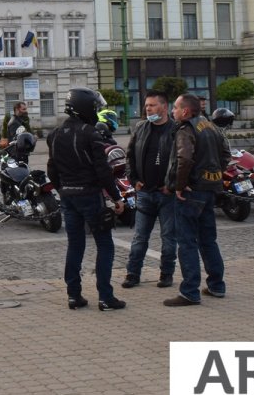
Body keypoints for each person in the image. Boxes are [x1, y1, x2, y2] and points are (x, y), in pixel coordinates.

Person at [46, 88, 126, 312]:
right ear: (84, 108)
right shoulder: (91, 134)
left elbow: (52, 169)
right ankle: (105, 297)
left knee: (75, 245)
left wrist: (62, 189)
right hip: (90, 196)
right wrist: (117, 197)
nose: (96, 111)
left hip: (68, 197)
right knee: (105, 244)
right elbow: (103, 171)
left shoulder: (54, 134)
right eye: (94, 107)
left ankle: (74, 296)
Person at [163, 94, 230, 307]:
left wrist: (179, 185)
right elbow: (225, 155)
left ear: (185, 111)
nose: (172, 111)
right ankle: (217, 285)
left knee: (187, 242)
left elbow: (184, 158)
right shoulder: (211, 126)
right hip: (210, 189)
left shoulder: (186, 129)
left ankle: (190, 292)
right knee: (208, 240)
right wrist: (213, 175)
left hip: (191, 192)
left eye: (175, 107)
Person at [123, 90, 177, 289]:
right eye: (146, 105)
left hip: (167, 195)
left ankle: (166, 274)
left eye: (152, 105)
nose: (148, 109)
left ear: (164, 106)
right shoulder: (141, 127)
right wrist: (134, 180)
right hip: (144, 192)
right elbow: (129, 156)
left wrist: (172, 185)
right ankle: (132, 274)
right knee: (139, 237)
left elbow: (183, 161)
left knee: (169, 237)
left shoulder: (176, 129)